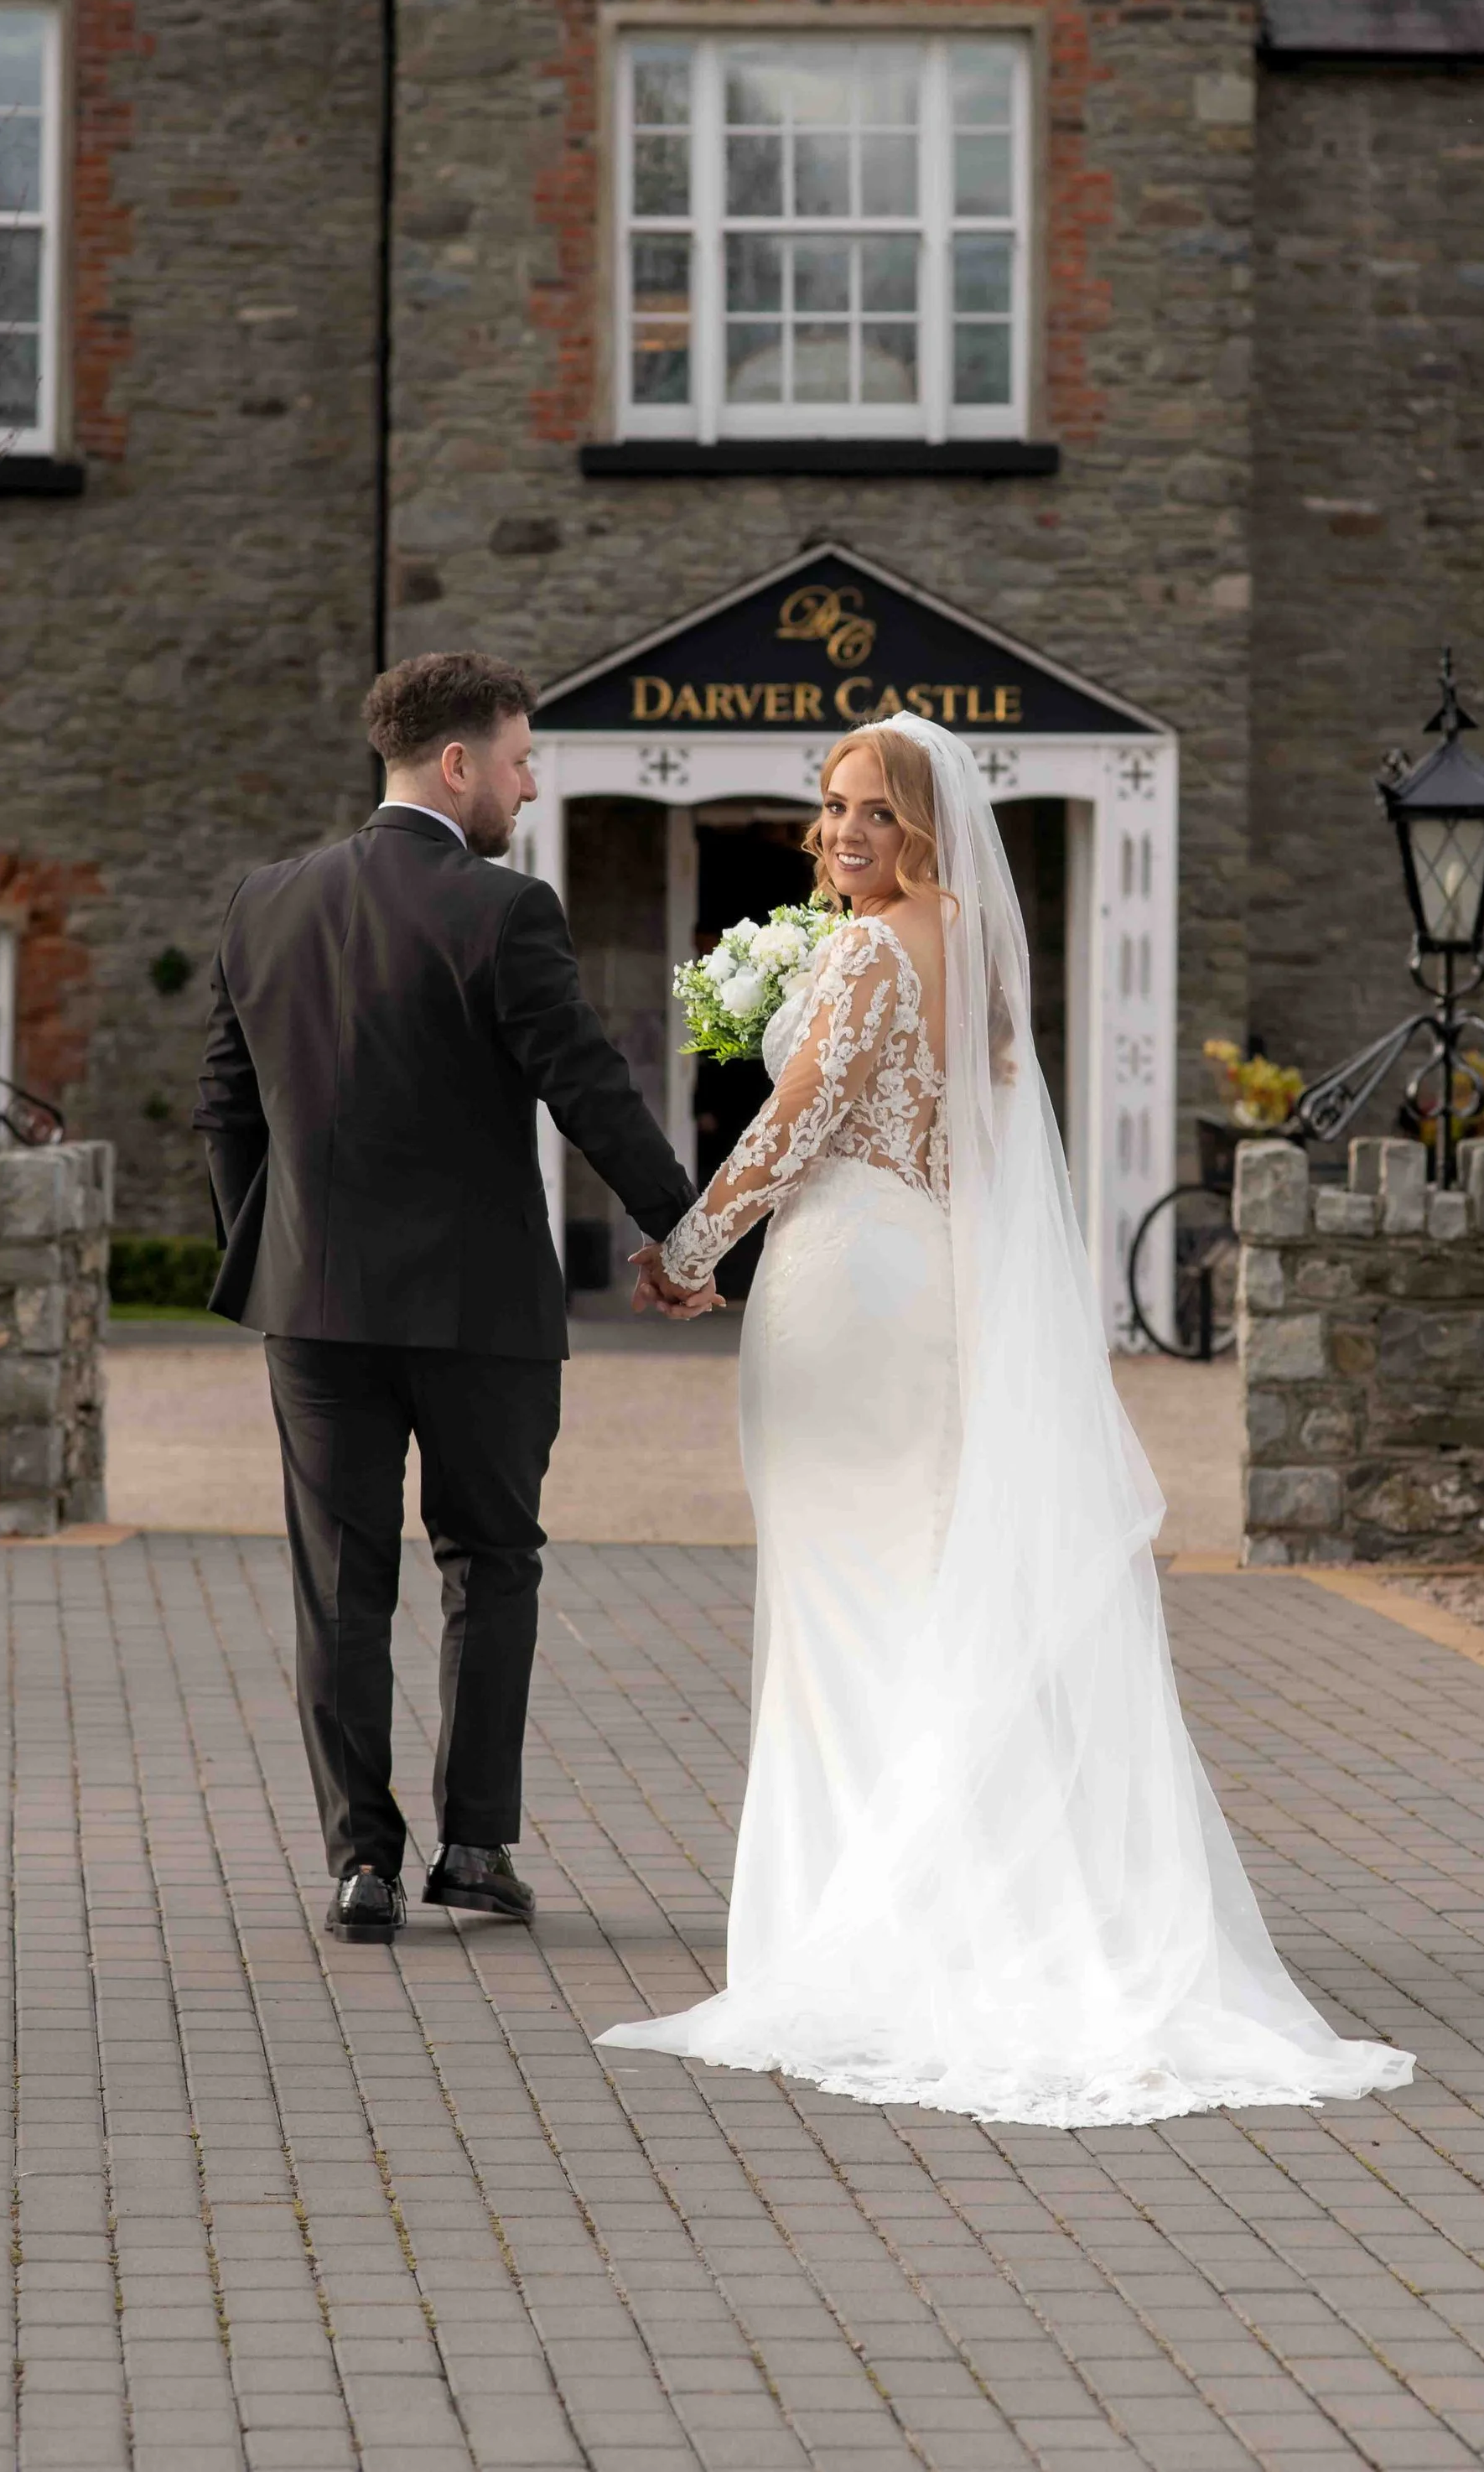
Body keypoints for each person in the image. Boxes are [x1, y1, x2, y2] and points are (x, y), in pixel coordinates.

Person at [604, 714, 1414, 2128]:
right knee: (914, 1585)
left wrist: (687, 1249)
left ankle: (866, 1920)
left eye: (877, 810)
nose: (846, 832)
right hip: (923, 1274)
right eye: (834, 806)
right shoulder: (968, 936)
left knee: (848, 1601)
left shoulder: (869, 949)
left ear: (925, 822)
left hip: (848, 1284)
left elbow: (798, 1118)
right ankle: (953, 1891)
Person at [193, 652, 711, 1944]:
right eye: (521, 762)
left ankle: (362, 1866)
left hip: (314, 1307)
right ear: (459, 762)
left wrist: (277, 1249)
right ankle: (475, 1849)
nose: (528, 788)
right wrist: (696, 1236)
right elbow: (589, 1087)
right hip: (481, 1312)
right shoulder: (505, 909)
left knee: (339, 1582)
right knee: (491, 1562)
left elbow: (224, 1108)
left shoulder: (263, 901)